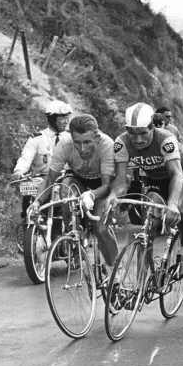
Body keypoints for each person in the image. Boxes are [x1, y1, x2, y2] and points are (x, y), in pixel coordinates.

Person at [108, 103, 183, 266]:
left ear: (152, 128)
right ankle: (146, 282)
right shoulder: (121, 142)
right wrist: (113, 197)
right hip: (155, 179)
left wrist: (172, 204)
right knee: (147, 224)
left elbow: (176, 174)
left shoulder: (165, 139)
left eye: (143, 133)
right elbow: (121, 181)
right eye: (132, 134)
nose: (138, 140)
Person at [29, 114, 118, 266]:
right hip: (77, 177)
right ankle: (74, 237)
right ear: (71, 138)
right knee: (65, 192)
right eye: (77, 142)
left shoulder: (107, 145)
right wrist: (37, 202)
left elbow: (106, 185)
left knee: (100, 228)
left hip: (101, 183)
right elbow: (49, 180)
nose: (82, 149)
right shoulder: (64, 144)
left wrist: (91, 194)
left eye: (87, 142)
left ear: (96, 137)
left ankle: (114, 269)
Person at [11, 100, 72, 217]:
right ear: (53, 119)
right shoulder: (37, 139)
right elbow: (25, 158)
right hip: (42, 179)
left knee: (72, 202)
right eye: (63, 118)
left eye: (67, 117)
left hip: (65, 179)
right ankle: (29, 225)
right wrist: (18, 172)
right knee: (28, 194)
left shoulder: (71, 139)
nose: (67, 121)